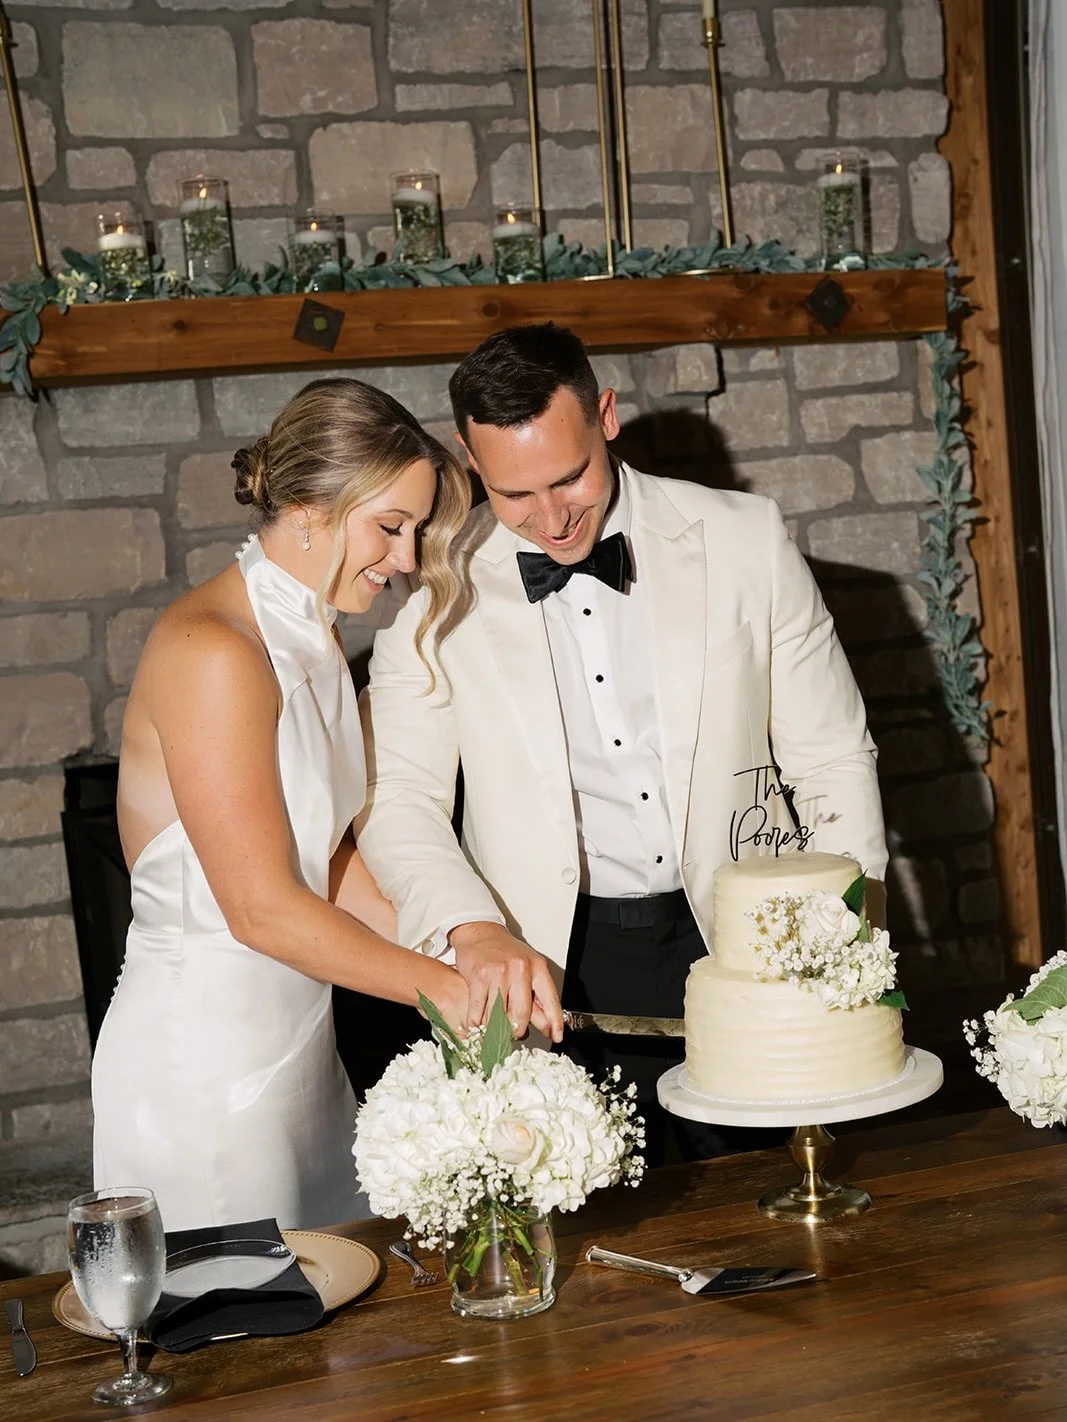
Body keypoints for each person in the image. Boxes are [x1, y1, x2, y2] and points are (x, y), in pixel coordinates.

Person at [356, 323, 889, 1164]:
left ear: (605, 415)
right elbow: (399, 798)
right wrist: (468, 930)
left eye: (569, 479)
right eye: (514, 494)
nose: (552, 519)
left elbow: (828, 756)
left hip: (742, 928)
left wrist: (839, 935)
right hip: (550, 954)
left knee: (775, 1197)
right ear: (467, 455)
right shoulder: (431, 581)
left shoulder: (744, 536)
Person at [91, 377, 472, 1232]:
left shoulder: (313, 635)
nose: (407, 559)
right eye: (390, 526)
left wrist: (453, 945)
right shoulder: (214, 650)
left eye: (414, 531)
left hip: (299, 1052)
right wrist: (438, 990)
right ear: (308, 506)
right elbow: (260, 907)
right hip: (205, 1078)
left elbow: (321, 859)